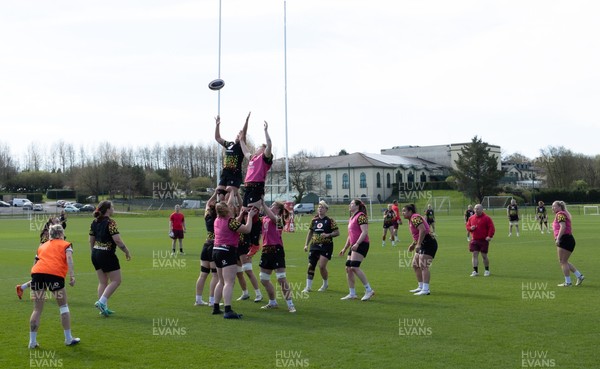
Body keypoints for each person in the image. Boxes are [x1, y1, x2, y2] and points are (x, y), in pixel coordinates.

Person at [27, 224, 80, 348]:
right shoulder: (66, 244)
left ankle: (32, 342)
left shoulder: (42, 245)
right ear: (61, 234)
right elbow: (69, 259)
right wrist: (72, 276)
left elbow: (35, 261)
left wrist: (34, 276)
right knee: (63, 307)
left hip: (37, 274)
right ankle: (68, 339)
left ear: (50, 234)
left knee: (37, 309)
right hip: (54, 275)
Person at [212, 200, 258, 319]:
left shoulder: (217, 220)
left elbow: (232, 226)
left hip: (216, 250)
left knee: (221, 281)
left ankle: (216, 307)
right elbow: (247, 229)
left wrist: (242, 215)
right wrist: (250, 217)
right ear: (227, 210)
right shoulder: (230, 221)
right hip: (227, 251)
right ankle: (228, 310)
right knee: (229, 282)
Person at [90, 200, 132, 316]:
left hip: (95, 253)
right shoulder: (110, 223)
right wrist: (126, 251)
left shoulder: (94, 222)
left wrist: (93, 252)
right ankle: (102, 302)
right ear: (107, 209)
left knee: (103, 282)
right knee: (116, 280)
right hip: (106, 254)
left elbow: (91, 240)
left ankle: (103, 309)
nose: (113, 209)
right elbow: (117, 240)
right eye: (112, 207)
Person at [17, 213, 68, 300]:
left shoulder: (56, 230)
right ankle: (33, 293)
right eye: (57, 221)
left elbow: (62, 226)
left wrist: (62, 219)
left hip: (49, 257)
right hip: (42, 256)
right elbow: (42, 246)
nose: (59, 222)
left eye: (59, 221)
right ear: (51, 223)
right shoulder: (47, 233)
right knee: (41, 277)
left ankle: (22, 287)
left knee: (43, 277)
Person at [258, 200, 297, 313]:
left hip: (276, 250)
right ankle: (272, 302)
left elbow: (273, 218)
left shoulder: (280, 219)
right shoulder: (264, 218)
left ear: (279, 210)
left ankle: (290, 304)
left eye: (274, 206)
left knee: (281, 278)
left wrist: (263, 204)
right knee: (264, 279)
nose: (271, 207)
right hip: (266, 250)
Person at [338, 199, 375, 301]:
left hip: (362, 244)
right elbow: (350, 236)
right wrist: (345, 248)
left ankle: (369, 290)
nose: (350, 205)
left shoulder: (361, 216)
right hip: (354, 245)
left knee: (354, 267)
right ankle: (352, 293)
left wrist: (357, 243)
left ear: (357, 206)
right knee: (348, 268)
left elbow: (364, 232)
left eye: (352, 204)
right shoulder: (351, 218)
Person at [194, 190, 225, 307]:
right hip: (214, 246)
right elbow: (226, 207)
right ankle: (212, 300)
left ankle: (198, 299)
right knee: (215, 275)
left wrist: (214, 194)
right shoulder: (220, 218)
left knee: (203, 274)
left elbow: (208, 203)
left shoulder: (207, 216)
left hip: (206, 245)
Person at [302, 200, 340, 293]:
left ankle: (325, 284)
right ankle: (308, 287)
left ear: (326, 209)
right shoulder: (314, 220)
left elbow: (337, 233)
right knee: (311, 265)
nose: (320, 209)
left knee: (322, 266)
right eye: (319, 207)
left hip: (326, 246)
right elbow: (310, 232)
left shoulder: (330, 220)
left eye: (322, 207)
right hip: (314, 245)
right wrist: (306, 244)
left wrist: (328, 235)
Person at [403, 204, 438, 296]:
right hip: (423, 243)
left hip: (428, 243)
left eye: (404, 211)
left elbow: (422, 230)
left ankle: (426, 289)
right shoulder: (411, 220)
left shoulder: (415, 218)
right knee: (415, 265)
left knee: (423, 266)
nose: (402, 213)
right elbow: (417, 234)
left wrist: (418, 244)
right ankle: (421, 286)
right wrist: (413, 244)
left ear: (410, 212)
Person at [214, 113, 250, 200]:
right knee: (221, 195)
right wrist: (217, 125)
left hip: (235, 173)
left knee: (228, 195)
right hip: (225, 172)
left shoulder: (241, 146)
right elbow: (218, 138)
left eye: (240, 135)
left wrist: (246, 121)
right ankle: (223, 212)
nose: (238, 136)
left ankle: (231, 211)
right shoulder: (229, 144)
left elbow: (244, 133)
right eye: (238, 135)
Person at [240, 121, 273, 209]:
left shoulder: (264, 158)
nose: (258, 149)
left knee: (252, 211)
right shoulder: (252, 158)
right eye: (259, 148)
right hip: (248, 187)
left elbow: (269, 144)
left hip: (256, 186)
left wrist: (265, 131)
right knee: (244, 211)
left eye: (261, 148)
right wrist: (241, 140)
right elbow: (245, 151)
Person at [552, 201, 585, 287]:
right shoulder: (563, 213)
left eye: (554, 206)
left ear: (559, 207)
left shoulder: (560, 214)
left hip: (564, 239)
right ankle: (579, 276)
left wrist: (558, 238)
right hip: (569, 239)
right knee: (564, 261)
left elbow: (563, 227)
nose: (553, 208)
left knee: (562, 262)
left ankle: (568, 282)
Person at [466, 204, 495, 277]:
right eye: (475, 209)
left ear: (482, 209)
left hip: (483, 240)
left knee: (484, 255)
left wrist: (489, 236)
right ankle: (475, 271)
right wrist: (470, 228)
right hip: (474, 240)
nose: (476, 210)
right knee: (474, 254)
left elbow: (491, 228)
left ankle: (487, 270)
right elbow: (467, 226)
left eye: (478, 209)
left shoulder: (487, 218)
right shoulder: (471, 218)